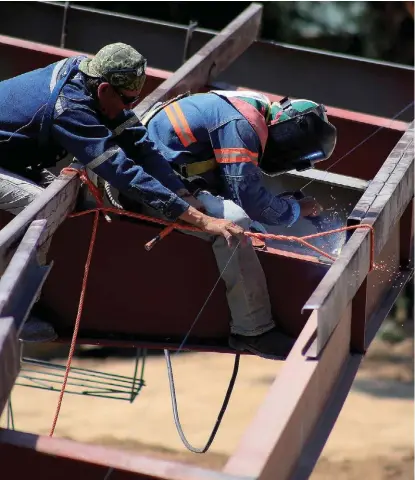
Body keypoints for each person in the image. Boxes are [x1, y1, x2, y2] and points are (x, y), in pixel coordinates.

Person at [0, 43, 245, 343]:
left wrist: (183, 193)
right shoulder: (72, 110)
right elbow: (123, 171)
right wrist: (200, 220)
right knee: (41, 210)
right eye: (128, 100)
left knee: (59, 200)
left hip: (13, 157)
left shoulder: (89, 79)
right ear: (104, 89)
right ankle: (10, 310)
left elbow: (140, 146)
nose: (130, 107)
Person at [113, 89, 337, 359]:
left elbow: (232, 182)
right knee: (235, 223)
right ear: (290, 129)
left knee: (255, 229)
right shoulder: (240, 123)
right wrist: (295, 209)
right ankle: (253, 331)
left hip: (168, 178)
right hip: (144, 187)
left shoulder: (242, 107)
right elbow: (250, 200)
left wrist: (281, 211)